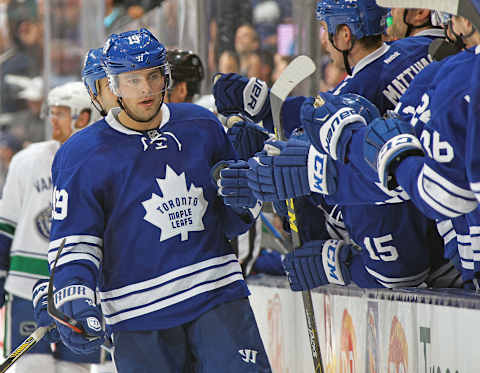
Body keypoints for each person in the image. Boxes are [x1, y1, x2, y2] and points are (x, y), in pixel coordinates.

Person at [47, 28, 271, 373]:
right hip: (138, 318)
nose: (147, 89)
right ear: (113, 85)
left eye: (153, 76)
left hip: (218, 298)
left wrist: (247, 193)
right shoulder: (81, 155)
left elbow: (233, 220)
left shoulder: (201, 125)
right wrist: (73, 293)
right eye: (133, 80)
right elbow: (75, 243)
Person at [212, 0, 460, 290]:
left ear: (344, 35)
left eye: (324, 28)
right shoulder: (419, 50)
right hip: (442, 227)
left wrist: (339, 265)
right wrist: (268, 110)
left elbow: (320, 142)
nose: (322, 40)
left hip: (431, 252)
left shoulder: (357, 91)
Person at [0, 81, 104, 373]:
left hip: (79, 291)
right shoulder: (26, 160)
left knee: (75, 370)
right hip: (26, 284)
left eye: (59, 113)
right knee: (33, 368)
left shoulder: (104, 162)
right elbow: (5, 224)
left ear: (82, 117)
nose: (52, 120)